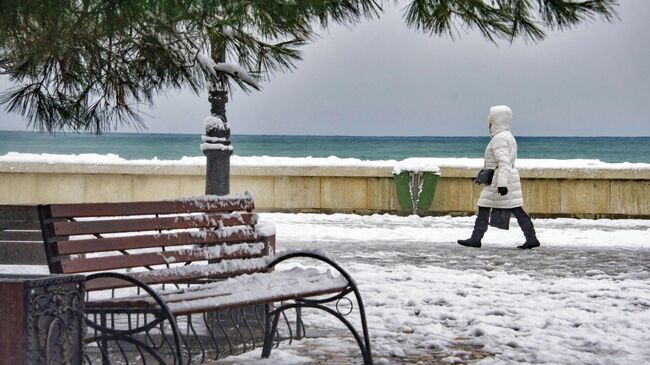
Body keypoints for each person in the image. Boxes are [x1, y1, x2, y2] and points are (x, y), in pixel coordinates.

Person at [457, 105, 541, 249]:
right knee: (514, 208)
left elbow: (504, 162)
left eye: (491, 118)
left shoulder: (499, 138)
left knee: (486, 206)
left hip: (499, 180)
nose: (488, 122)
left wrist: (502, 184)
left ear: (496, 120)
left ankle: (476, 239)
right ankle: (531, 238)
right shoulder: (508, 136)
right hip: (505, 177)